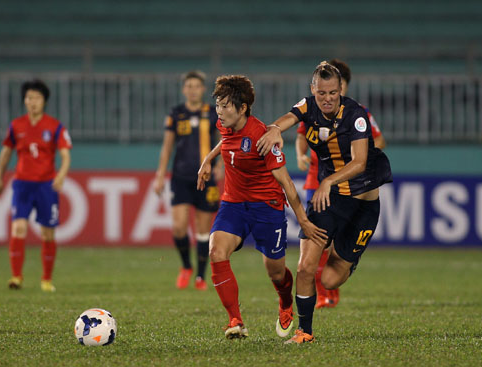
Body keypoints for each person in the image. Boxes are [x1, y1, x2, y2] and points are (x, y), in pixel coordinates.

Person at [257, 61, 392, 343]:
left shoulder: (356, 115)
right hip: (328, 201)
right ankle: (305, 331)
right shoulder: (309, 106)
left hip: (363, 204)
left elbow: (359, 162)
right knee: (305, 267)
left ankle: (347, 261)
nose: (327, 98)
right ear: (313, 90)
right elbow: (289, 117)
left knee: (331, 279)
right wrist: (273, 129)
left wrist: (328, 180)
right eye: (321, 93)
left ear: (340, 89)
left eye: (332, 92)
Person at [197, 75, 327, 339]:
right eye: (217, 105)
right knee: (217, 251)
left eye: (224, 105)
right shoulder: (225, 124)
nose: (218, 111)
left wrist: (302, 221)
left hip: (266, 207)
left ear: (242, 108)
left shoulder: (262, 137)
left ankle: (286, 301)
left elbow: (287, 183)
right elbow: (226, 141)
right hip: (233, 203)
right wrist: (208, 160)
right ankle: (236, 320)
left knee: (275, 272)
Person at [295, 58, 387, 309]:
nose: (332, 94)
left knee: (335, 244)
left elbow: (378, 142)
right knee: (317, 243)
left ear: (343, 87)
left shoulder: (359, 113)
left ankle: (330, 289)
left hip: (348, 186)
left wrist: (362, 157)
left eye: (338, 88)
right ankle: (318, 294)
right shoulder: (313, 110)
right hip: (317, 181)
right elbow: (301, 133)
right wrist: (299, 153)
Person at [0, 79, 72, 292]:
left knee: (48, 233)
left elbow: (65, 155)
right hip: (22, 185)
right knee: (18, 227)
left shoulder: (55, 126)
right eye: (29, 98)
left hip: (46, 185)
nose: (33, 102)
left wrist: (62, 175)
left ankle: (46, 279)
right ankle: (16, 277)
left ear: (44, 101)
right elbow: (6, 153)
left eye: (37, 98)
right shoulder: (16, 126)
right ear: (24, 101)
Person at [153, 71, 221, 291]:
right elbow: (167, 147)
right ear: (184, 90)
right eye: (189, 86)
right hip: (181, 177)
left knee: (203, 230)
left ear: (203, 90)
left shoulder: (212, 114)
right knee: (179, 228)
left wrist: (220, 166)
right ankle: (186, 266)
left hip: (206, 178)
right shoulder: (176, 113)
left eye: (197, 86)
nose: (192, 90)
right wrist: (160, 175)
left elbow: (222, 142)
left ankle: (200, 277)